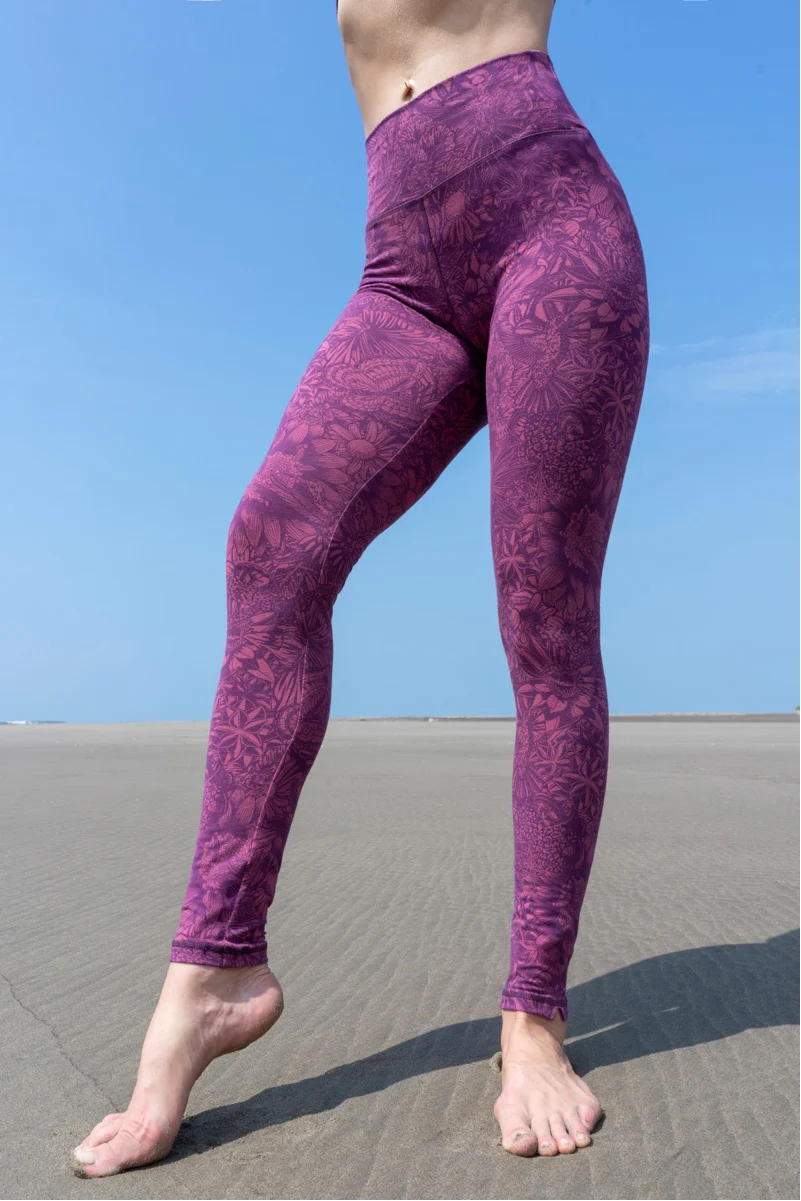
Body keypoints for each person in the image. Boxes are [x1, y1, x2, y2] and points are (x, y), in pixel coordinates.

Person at [71, 0, 649, 1176]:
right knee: (271, 543)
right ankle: (217, 961)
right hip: (404, 268)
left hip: (554, 217)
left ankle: (533, 1016)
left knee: (543, 610)